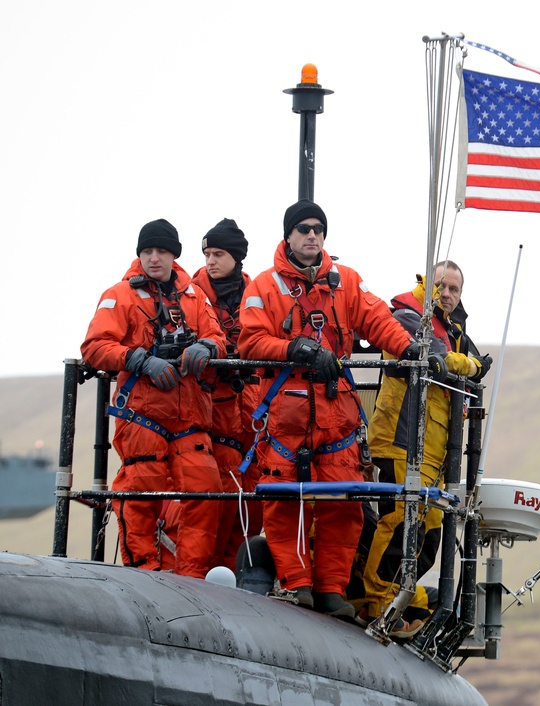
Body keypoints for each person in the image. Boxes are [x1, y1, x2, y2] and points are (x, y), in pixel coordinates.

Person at [237, 199, 419, 619]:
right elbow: (249, 343)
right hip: (287, 418)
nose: (312, 235)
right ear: (288, 236)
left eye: (318, 228)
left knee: (345, 503)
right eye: (303, 229)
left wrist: (409, 348)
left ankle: (332, 590)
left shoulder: (346, 282)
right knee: (285, 503)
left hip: (337, 416)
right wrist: (294, 349)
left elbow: (377, 320)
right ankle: (297, 583)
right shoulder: (264, 287)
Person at [81, 219, 226, 578]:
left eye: (161, 251)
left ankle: (192, 577)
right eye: (147, 251)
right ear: (139, 255)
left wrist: (207, 346)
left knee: (206, 490)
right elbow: (94, 347)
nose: (154, 258)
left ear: (174, 255)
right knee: (139, 490)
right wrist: (138, 359)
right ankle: (142, 572)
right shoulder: (120, 295)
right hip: (142, 414)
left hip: (189, 416)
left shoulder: (193, 296)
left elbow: (217, 336)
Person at [357, 260, 491, 631]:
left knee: (430, 525)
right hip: (401, 439)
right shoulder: (406, 316)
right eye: (441, 287)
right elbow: (439, 359)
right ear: (426, 284)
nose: (446, 295)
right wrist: (470, 366)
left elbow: (478, 360)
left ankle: (401, 593)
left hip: (432, 449)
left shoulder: (452, 328)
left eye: (454, 290)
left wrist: (470, 364)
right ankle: (379, 600)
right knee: (400, 520)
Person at [159, 218, 262, 572]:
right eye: (207, 254)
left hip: (252, 414)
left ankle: (230, 577)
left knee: (247, 506)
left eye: (218, 253)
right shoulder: (187, 296)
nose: (210, 261)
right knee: (202, 499)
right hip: (205, 412)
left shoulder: (259, 295)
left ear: (237, 257)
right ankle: (191, 575)